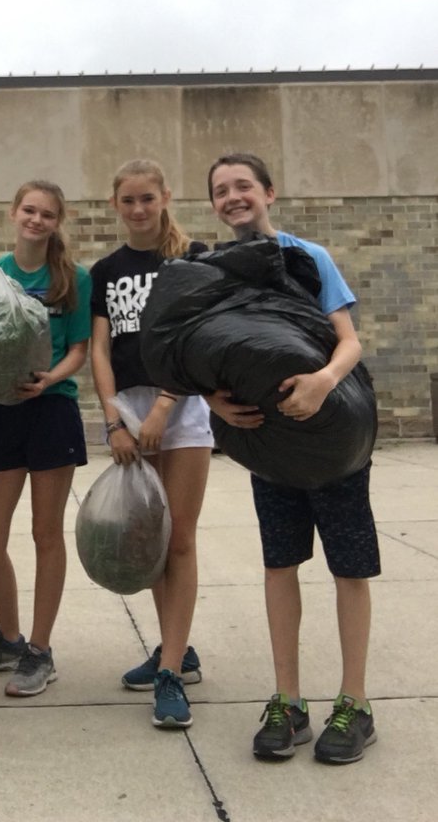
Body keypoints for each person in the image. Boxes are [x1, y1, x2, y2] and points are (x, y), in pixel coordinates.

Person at [207, 152, 379, 765]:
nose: (233, 196)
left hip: (334, 439)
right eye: (221, 190)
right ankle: (288, 701)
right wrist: (213, 402)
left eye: (243, 185)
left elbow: (349, 340)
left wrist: (324, 381)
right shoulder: (214, 272)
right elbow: (198, 354)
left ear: (269, 192)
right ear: (213, 205)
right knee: (280, 566)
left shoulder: (308, 258)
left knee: (349, 568)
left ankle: (355, 704)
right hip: (270, 446)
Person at [0, 180, 91, 697]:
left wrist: (50, 378)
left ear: (58, 221)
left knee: (45, 534)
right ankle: (9, 639)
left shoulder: (74, 278)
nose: (36, 220)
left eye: (47, 214)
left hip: (53, 410)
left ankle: (40, 649)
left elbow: (78, 349)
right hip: (4, 413)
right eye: (29, 210)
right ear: (13, 213)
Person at [90, 159, 212, 729]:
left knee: (179, 540)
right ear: (115, 205)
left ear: (166, 197)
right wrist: (115, 420)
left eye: (147, 198)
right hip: (129, 408)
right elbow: (99, 349)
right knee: (152, 542)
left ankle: (170, 675)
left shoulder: (192, 258)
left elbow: (196, 339)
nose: (138, 209)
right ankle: (175, 649)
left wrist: (164, 406)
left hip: (181, 408)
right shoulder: (106, 271)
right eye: (128, 200)